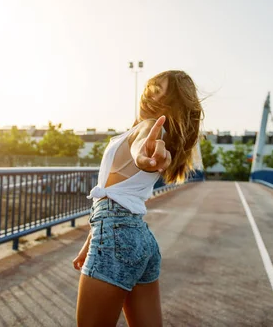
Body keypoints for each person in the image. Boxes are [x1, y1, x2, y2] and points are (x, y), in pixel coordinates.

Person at [72, 70, 204, 327]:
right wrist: (91, 240)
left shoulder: (148, 130)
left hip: (116, 239)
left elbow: (141, 148)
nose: (149, 96)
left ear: (172, 103)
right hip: (140, 240)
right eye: (151, 88)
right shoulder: (146, 130)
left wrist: (145, 157)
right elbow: (117, 194)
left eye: (160, 92)